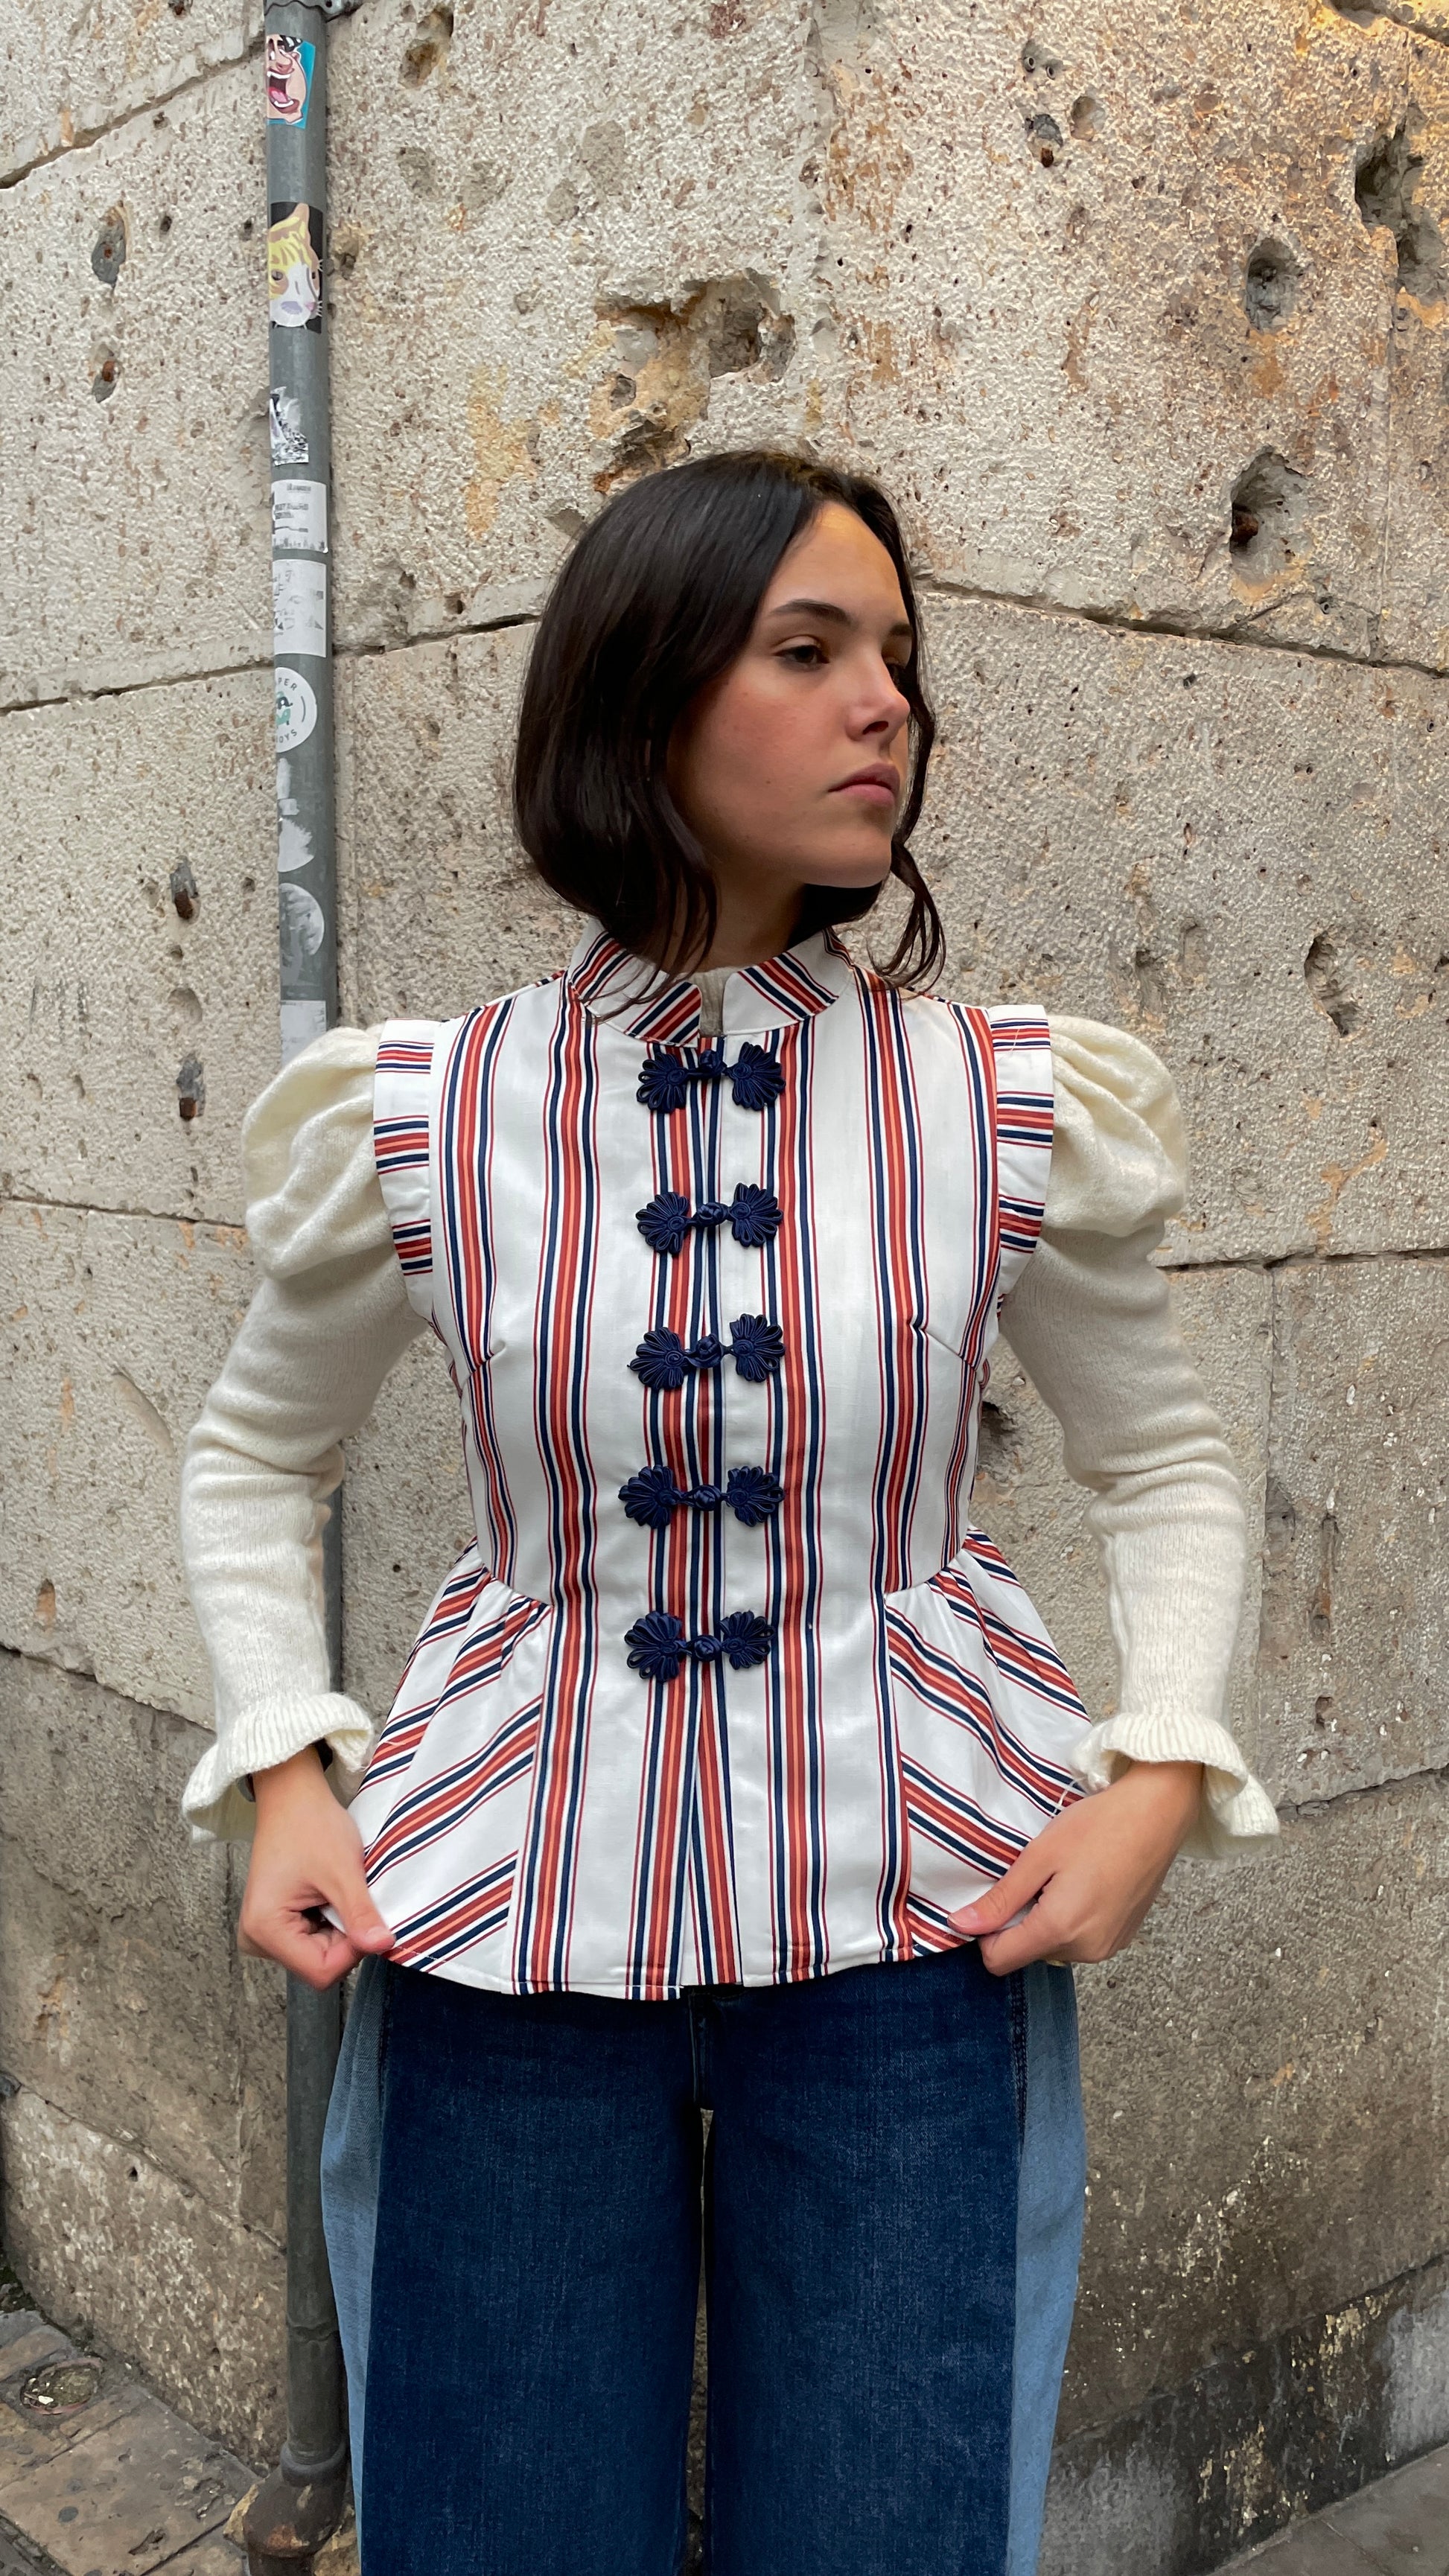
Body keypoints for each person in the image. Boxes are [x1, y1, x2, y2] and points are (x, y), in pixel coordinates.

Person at [179, 449, 1277, 2576]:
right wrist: (286, 1774)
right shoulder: (430, 1108)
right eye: (808, 649)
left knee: (886, 2530)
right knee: (499, 2526)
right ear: (641, 696)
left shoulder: (998, 1101)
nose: (887, 705)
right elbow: (251, 1454)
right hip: (501, 1925)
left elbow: (1163, 1458)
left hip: (915, 1930)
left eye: (899, 658)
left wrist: (1158, 1773)